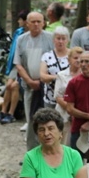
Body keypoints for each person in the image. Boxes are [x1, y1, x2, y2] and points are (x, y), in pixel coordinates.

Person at [14, 11, 54, 148]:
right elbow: (18, 64)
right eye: (33, 22)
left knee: (49, 119)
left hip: (48, 87)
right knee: (31, 119)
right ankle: (31, 152)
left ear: (44, 23)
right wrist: (30, 81)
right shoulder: (21, 39)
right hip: (29, 86)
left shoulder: (51, 38)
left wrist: (44, 80)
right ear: (27, 23)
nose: (36, 24)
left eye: (39, 21)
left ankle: (49, 150)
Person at [0, 10, 28, 125]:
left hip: (25, 66)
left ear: (25, 21)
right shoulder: (18, 32)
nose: (18, 21)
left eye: (20, 19)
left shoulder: (28, 35)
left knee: (14, 86)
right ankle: (3, 111)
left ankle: (11, 114)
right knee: (8, 85)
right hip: (15, 64)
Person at [53, 46, 84, 142]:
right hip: (63, 115)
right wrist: (71, 111)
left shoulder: (86, 77)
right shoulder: (61, 75)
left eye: (81, 59)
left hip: (80, 117)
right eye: (75, 58)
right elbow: (58, 97)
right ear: (69, 59)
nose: (78, 61)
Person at [40, 26, 70, 109]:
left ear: (67, 40)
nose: (61, 41)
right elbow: (43, 77)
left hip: (69, 99)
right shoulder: (46, 56)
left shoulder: (73, 55)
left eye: (63, 39)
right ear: (53, 40)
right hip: (50, 98)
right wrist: (59, 77)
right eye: (58, 38)